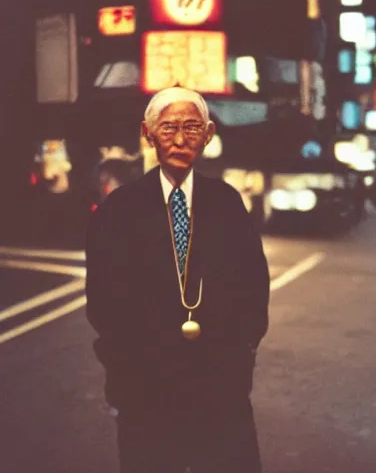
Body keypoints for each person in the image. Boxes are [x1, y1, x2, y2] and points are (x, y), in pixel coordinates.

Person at [85, 87, 270, 473]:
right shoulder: (120, 208)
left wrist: (243, 349)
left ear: (208, 134)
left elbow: (255, 284)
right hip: (146, 384)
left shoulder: (227, 202)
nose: (180, 139)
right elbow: (101, 296)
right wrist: (125, 361)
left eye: (191, 127)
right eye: (168, 128)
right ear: (148, 133)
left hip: (220, 382)